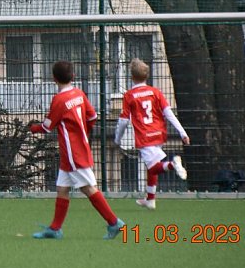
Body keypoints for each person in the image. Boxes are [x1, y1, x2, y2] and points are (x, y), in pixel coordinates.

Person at [29, 60, 125, 240]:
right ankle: (55, 229)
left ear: (53, 78)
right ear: (73, 76)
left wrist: (33, 128)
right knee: (62, 188)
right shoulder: (79, 94)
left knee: (88, 188)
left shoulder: (59, 100)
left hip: (73, 152)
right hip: (77, 148)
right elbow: (92, 116)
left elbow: (47, 127)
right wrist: (83, 132)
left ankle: (114, 223)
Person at [113, 58, 189, 210]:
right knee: (151, 165)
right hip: (159, 133)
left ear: (131, 76)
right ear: (147, 76)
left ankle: (173, 165)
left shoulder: (129, 95)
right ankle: (150, 199)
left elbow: (123, 121)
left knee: (154, 167)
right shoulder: (155, 92)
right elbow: (168, 113)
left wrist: (117, 139)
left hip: (144, 135)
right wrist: (182, 132)